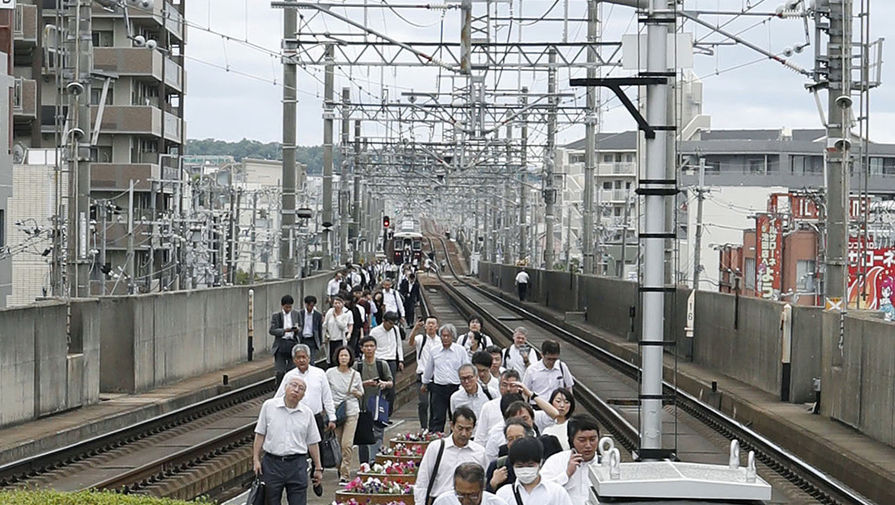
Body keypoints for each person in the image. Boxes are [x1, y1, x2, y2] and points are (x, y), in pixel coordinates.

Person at [252, 376, 323, 505]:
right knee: (270, 501)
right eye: (293, 385)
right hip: (272, 463)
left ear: (303, 395)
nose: (296, 390)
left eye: (301, 388)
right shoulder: (269, 406)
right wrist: (256, 459)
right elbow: (260, 434)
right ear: (285, 388)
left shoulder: (307, 413)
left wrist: (318, 467)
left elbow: (313, 442)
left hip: (297, 464)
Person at [414, 406, 487, 505]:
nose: (464, 434)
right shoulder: (436, 448)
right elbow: (423, 481)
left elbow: (483, 485)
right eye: (460, 428)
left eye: (468, 429)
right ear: (452, 426)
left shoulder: (480, 452)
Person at [274, 344, 336, 437]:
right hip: (295, 418)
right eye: (298, 358)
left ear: (309, 358)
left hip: (315, 418)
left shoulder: (320, 373)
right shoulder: (289, 376)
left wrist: (332, 417)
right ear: (294, 360)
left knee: (317, 448)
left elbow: (327, 397)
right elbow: (279, 397)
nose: (301, 360)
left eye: (304, 357)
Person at [540, 415, 601, 504]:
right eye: (582, 440)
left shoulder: (606, 463)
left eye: (592, 439)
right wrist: (567, 474)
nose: (588, 445)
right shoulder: (556, 461)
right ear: (572, 440)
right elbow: (541, 492)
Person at [326, 346, 365, 484]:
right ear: (337, 357)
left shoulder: (355, 374)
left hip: (351, 411)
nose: (343, 358)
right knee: (336, 443)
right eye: (341, 355)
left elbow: (361, 393)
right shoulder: (330, 373)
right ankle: (340, 467)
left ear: (350, 358)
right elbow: (324, 391)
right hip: (335, 412)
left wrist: (356, 393)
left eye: (346, 356)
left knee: (347, 444)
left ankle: (345, 474)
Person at [422, 323, 471, 432]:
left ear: (452, 336)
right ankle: (435, 439)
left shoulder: (460, 350)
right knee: (437, 417)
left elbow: (466, 367)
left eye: (448, 336)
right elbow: (429, 368)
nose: (445, 338)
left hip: (456, 388)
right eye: (443, 336)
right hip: (439, 388)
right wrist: (425, 382)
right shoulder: (434, 351)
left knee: (456, 416)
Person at [495, 437, 572, 505]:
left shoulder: (556, 492)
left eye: (530, 465)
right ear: (513, 466)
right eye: (520, 466)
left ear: (541, 463)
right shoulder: (504, 494)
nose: (525, 469)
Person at [484, 395, 559, 464]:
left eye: (525, 419)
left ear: (532, 419)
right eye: (515, 420)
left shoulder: (548, 443)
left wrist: (531, 395)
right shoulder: (504, 451)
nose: (520, 423)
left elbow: (555, 414)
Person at [356, 336, 394, 463]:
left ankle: (375, 461)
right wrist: (365, 383)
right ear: (361, 348)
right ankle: (364, 463)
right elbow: (352, 385)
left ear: (376, 348)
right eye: (366, 346)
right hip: (362, 406)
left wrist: (383, 383)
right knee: (362, 437)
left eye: (371, 346)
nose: (369, 349)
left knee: (378, 434)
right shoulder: (358, 365)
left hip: (378, 405)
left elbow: (391, 382)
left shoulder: (381, 364)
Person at [485, 418, 535, 492]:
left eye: (519, 438)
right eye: (510, 439)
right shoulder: (497, 466)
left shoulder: (537, 463)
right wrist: (493, 483)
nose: (514, 442)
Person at [475, 370, 523, 443]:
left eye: (512, 385)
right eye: (504, 385)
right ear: (499, 386)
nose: (508, 389)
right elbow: (480, 437)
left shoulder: (524, 406)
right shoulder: (488, 407)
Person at [370, 310, 405, 408]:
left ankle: (388, 413)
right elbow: (370, 345)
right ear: (383, 321)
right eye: (390, 323)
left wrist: (401, 360)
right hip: (379, 360)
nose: (391, 325)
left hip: (391, 360)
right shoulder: (375, 331)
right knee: (378, 386)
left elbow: (399, 345)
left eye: (394, 323)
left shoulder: (395, 329)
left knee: (391, 388)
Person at [410, 316, 440, 429]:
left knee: (435, 403)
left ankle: (433, 427)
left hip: (436, 376)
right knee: (423, 403)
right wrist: (415, 329)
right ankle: (424, 427)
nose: (431, 326)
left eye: (433, 323)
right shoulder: (421, 339)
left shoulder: (440, 341)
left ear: (437, 327)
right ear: (425, 326)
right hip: (422, 375)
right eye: (429, 323)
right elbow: (410, 342)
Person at [433, 462, 509, 505]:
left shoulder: (497, 503)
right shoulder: (443, 502)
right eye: (460, 495)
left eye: (473, 496)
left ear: (482, 488)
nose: (466, 502)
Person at [269, 295, 299, 386]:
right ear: (282, 306)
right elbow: (272, 330)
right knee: (280, 371)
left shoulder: (296, 314)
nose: (288, 309)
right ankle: (278, 388)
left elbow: (300, 326)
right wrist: (284, 331)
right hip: (281, 344)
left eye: (290, 307)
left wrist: (297, 330)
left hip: (292, 343)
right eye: (286, 307)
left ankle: (289, 388)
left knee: (292, 371)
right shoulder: (277, 316)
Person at [323, 294, 353, 366]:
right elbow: (325, 324)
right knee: (330, 357)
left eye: (339, 303)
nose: (337, 305)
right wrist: (326, 334)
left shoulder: (346, 314)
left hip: (340, 339)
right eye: (335, 303)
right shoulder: (330, 312)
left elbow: (343, 326)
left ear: (342, 304)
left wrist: (337, 318)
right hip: (331, 339)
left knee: (338, 356)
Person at [296, 295, 324, 362]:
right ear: (305, 304)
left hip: (312, 340)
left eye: (312, 306)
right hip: (302, 339)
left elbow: (319, 329)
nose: (310, 308)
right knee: (301, 359)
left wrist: (320, 342)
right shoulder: (300, 313)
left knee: (311, 361)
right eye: (308, 305)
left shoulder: (318, 315)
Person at [346, 290, 367, 356]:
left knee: (352, 348)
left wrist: (361, 334)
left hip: (355, 331)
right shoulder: (342, 310)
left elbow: (360, 323)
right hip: (344, 331)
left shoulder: (355, 309)